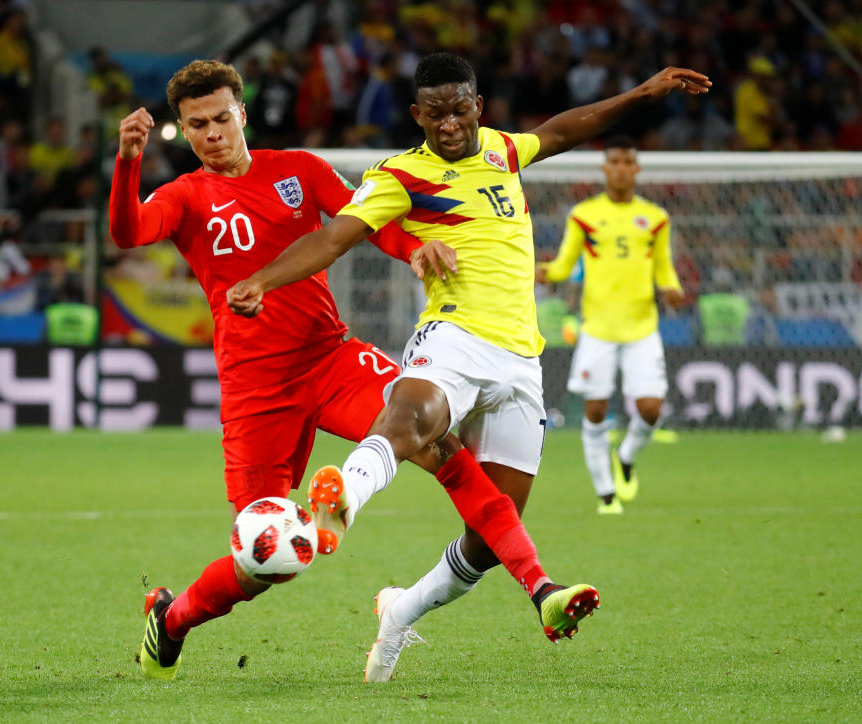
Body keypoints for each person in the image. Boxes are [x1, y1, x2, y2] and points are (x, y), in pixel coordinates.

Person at [228, 53, 709, 681]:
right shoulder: (399, 174)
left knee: (488, 538)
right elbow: (332, 238)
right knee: (411, 417)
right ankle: (340, 499)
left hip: (522, 360)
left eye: (460, 109)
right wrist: (262, 279)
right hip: (452, 335)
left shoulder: (504, 152)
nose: (449, 124)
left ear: (478, 106)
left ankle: (400, 612)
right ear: (416, 116)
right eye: (435, 114)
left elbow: (566, 129)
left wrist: (641, 92)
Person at [111, 59, 465, 681]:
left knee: (433, 436)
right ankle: (170, 620)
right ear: (185, 132)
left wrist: (414, 250)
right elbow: (129, 231)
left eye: (222, 117)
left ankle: (517, 575)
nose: (213, 132)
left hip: (330, 358)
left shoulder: (298, 170)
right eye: (198, 125)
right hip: (256, 390)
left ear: (243, 113)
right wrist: (128, 162)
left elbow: (366, 220)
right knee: (265, 560)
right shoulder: (187, 196)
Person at [537, 136, 684, 514]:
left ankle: (628, 456)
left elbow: (664, 267)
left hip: (642, 327)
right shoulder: (584, 215)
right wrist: (545, 272)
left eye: (627, 161)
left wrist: (672, 289)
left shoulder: (655, 218)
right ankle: (606, 494)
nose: (620, 168)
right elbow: (565, 265)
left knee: (651, 408)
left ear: (636, 168)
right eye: (614, 161)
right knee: (596, 409)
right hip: (598, 328)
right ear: (604, 168)